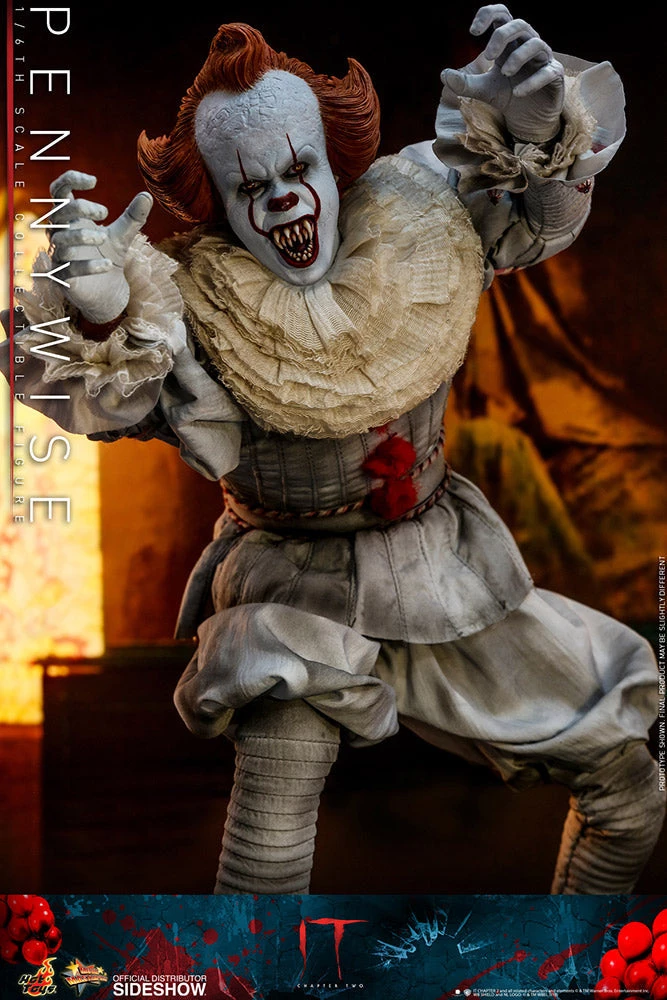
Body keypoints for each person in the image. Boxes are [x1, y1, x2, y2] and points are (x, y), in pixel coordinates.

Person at [4, 5, 663, 895]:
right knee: (273, 806)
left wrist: (539, 136)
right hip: (291, 582)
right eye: (249, 186)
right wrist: (98, 314)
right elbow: (114, 400)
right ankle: (252, 963)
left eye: (297, 167)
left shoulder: (418, 221)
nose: (280, 197)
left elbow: (532, 222)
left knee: (628, 789)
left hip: (440, 565)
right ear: (218, 203)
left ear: (331, 162)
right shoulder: (190, 301)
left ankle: (578, 960)